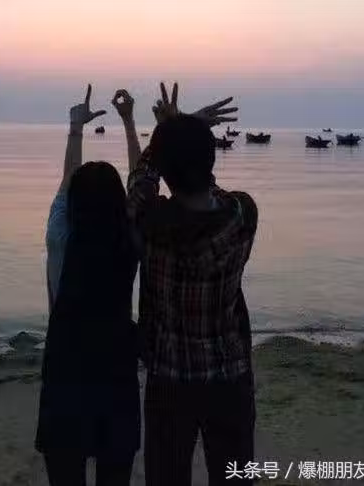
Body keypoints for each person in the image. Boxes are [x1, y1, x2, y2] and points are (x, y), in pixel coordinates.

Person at [127, 83, 257, 486]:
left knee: (166, 477)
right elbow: (209, 191)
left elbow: (140, 183)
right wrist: (186, 132)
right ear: (210, 159)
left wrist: (170, 136)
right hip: (229, 373)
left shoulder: (151, 225)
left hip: (170, 376)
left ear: (167, 172)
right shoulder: (242, 215)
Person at [36, 85, 141, 486]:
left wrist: (75, 128)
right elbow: (140, 186)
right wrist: (129, 122)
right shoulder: (130, 239)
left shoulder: (61, 238)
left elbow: (68, 180)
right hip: (116, 369)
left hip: (66, 371)